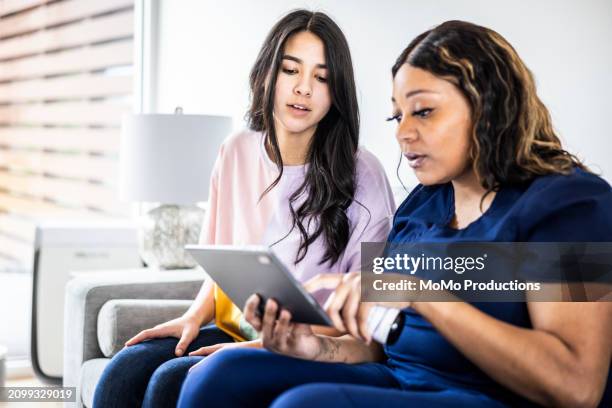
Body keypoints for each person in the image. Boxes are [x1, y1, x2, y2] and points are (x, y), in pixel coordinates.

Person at [177, 20, 612, 408]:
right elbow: (378, 344)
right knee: (219, 375)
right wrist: (310, 347)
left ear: (490, 104)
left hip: (487, 395)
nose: (403, 132)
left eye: (423, 111)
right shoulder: (423, 204)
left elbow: (576, 387)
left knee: (306, 404)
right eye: (397, 115)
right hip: (399, 376)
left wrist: (421, 292)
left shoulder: (573, 203)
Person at [92, 10, 395, 408]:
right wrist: (193, 317)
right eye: (291, 70)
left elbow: (369, 317)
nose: (304, 88)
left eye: (321, 78)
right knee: (124, 371)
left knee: (170, 382)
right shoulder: (236, 150)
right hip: (235, 330)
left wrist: (260, 348)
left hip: (307, 347)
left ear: (336, 92)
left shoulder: (363, 172)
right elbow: (222, 265)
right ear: (266, 75)